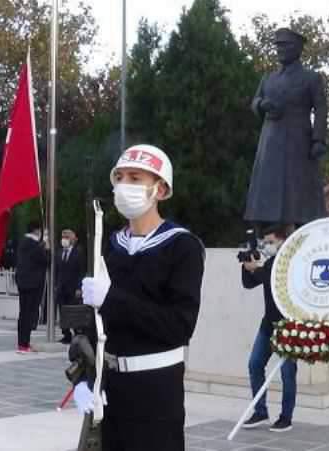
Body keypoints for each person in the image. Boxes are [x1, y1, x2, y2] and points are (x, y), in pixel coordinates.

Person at [78, 144, 205, 450]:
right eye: (120, 178)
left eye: (135, 178)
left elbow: (179, 326)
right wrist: (82, 381)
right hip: (109, 388)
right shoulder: (112, 244)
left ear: (160, 190)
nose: (124, 186)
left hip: (156, 389)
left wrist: (112, 299)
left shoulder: (182, 246)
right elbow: (96, 324)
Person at [245, 28, 328, 227]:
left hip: (298, 141)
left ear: (298, 48)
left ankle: (303, 229)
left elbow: (321, 108)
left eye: (285, 45)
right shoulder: (268, 78)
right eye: (278, 46)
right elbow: (256, 100)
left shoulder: (311, 78)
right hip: (270, 141)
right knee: (266, 192)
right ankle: (262, 233)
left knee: (300, 194)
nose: (280, 50)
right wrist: (261, 105)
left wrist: (318, 140)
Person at [240, 223, 296, 432]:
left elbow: (272, 278)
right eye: (266, 242)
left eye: (271, 242)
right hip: (269, 323)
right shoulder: (271, 262)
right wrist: (246, 266)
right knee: (255, 364)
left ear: (283, 241)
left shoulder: (289, 262)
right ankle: (260, 412)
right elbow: (249, 283)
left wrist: (257, 268)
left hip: (289, 325)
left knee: (287, 372)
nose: (268, 246)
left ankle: (286, 417)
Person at [14, 221, 49, 353]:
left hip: (22, 282)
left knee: (23, 313)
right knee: (28, 315)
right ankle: (24, 344)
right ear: (36, 231)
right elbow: (46, 261)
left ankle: (22, 343)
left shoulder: (23, 242)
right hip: (33, 284)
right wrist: (47, 247)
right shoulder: (35, 245)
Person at [55, 228, 85, 344]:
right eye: (63, 237)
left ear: (73, 239)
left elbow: (81, 271)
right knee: (62, 312)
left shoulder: (78, 252)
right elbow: (57, 270)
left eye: (67, 237)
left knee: (73, 311)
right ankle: (66, 334)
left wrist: (79, 287)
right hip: (61, 287)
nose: (64, 240)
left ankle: (77, 334)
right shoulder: (59, 252)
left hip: (73, 288)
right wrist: (56, 284)